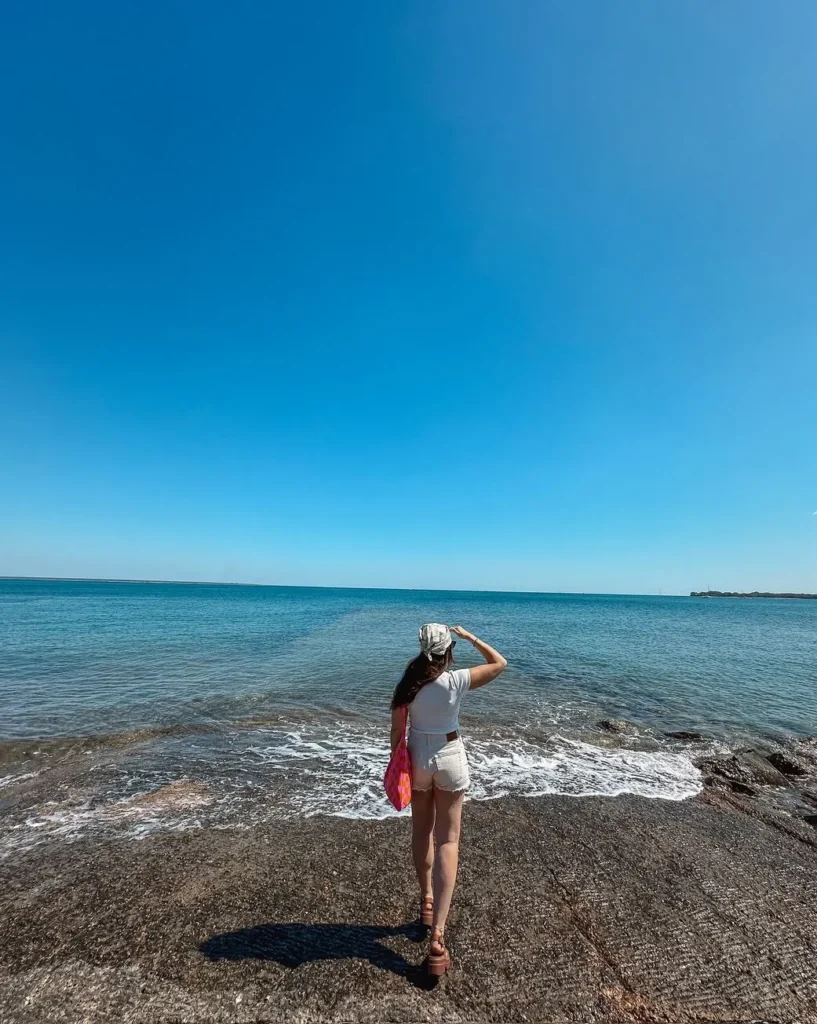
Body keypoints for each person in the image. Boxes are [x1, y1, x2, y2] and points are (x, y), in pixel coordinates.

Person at [390, 622, 508, 975]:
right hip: (450, 755)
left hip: (418, 758)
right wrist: (471, 637)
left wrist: (399, 768)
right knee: (448, 841)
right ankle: (437, 935)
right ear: (447, 650)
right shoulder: (455, 681)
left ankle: (426, 900)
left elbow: (397, 734)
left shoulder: (407, 684)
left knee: (421, 833)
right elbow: (499, 663)